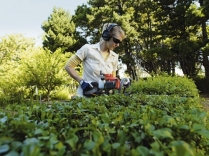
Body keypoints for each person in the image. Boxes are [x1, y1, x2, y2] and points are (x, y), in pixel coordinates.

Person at [65, 23, 126, 97]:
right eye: (116, 40)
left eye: (119, 42)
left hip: (103, 100)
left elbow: (112, 80)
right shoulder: (87, 49)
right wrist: (81, 82)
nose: (118, 44)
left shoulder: (114, 57)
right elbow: (68, 66)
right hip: (85, 98)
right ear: (107, 36)